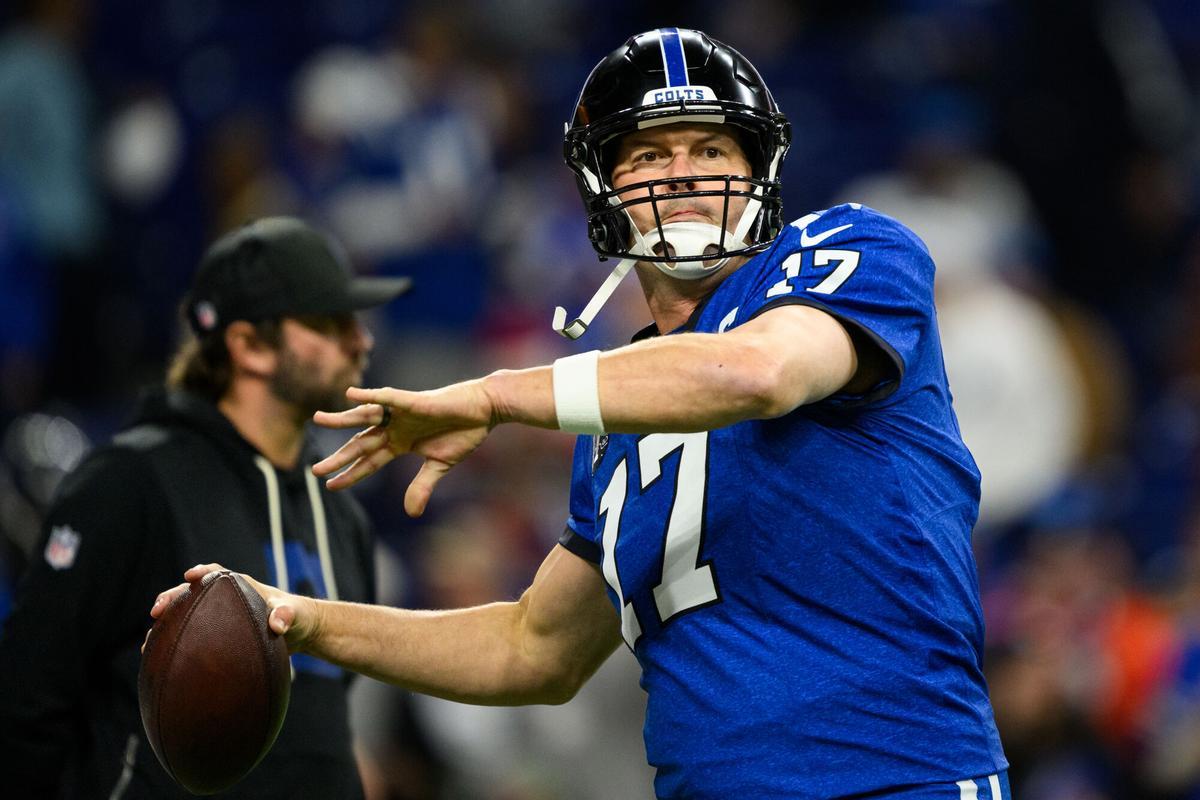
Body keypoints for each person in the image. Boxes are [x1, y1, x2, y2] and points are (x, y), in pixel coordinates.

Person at [155, 29, 1010, 799]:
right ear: (604, 186)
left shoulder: (853, 251)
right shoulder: (614, 417)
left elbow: (758, 372)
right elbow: (533, 648)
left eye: (711, 146)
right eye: (648, 154)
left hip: (899, 782)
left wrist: (496, 395)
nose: (683, 172)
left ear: (759, 170)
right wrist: (302, 620)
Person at [1, 216, 410, 798]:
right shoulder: (131, 481)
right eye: (329, 322)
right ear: (247, 345)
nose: (360, 340)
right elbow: (27, 702)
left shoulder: (340, 510)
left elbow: (323, 715)